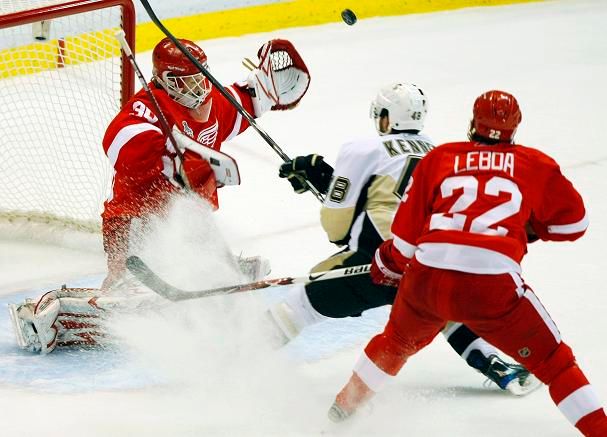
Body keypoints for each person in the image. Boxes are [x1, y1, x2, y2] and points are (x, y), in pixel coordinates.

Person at [327, 90, 607, 436]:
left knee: (395, 341)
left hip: (427, 279)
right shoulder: (535, 164)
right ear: (514, 128)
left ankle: (341, 411)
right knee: (555, 363)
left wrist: (386, 262)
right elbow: (574, 225)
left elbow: (403, 242)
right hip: (491, 285)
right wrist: (530, 229)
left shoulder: (441, 157)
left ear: (472, 123)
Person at [8, 37, 311, 354]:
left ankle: (206, 271)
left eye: (199, 76)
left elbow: (245, 99)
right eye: (186, 81)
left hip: (186, 225)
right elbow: (117, 139)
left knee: (206, 276)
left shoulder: (213, 106)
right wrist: (168, 148)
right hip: (132, 221)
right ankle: (60, 315)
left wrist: (267, 89)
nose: (197, 87)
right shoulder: (149, 109)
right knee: (133, 295)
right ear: (165, 81)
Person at [271, 83, 539, 395]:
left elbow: (337, 229)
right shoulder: (440, 154)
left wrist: (326, 184)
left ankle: (236, 352)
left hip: (378, 264)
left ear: (385, 118)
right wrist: (329, 181)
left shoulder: (363, 148)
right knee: (439, 309)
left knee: (300, 306)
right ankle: (494, 363)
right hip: (430, 264)